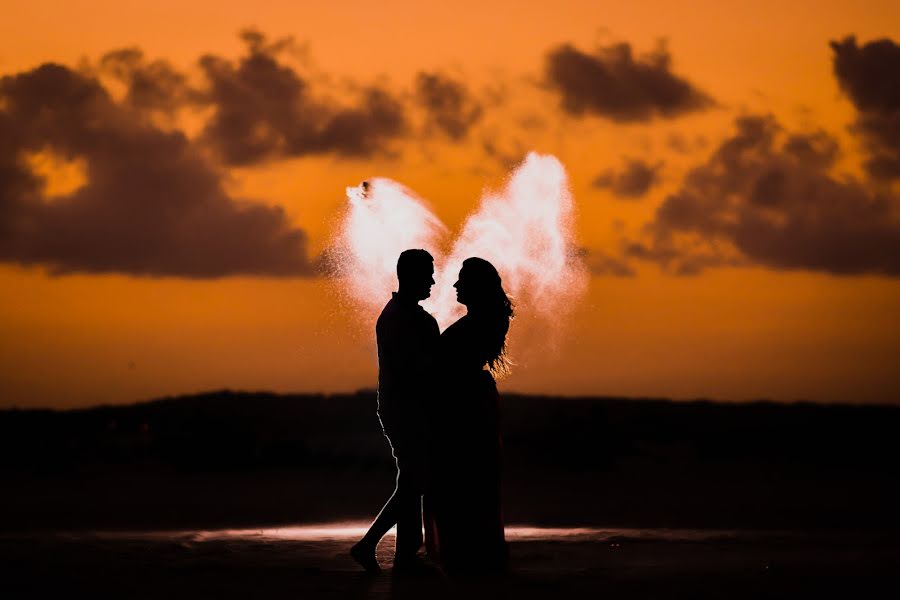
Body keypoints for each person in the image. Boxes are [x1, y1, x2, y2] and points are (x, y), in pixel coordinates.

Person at [351, 249, 440, 573]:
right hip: (405, 409)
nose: (433, 280)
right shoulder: (400, 319)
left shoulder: (408, 316)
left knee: (412, 479)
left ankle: (404, 554)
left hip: (404, 407)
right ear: (410, 276)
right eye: (427, 274)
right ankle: (371, 545)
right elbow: (415, 370)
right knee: (415, 481)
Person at [430, 257, 513, 576]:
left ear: (476, 286)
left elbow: (447, 365)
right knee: (472, 477)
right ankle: (473, 551)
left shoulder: (479, 323)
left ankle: (467, 554)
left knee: (463, 477)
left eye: (462, 280)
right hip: (469, 400)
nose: (455, 286)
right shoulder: (487, 319)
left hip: (464, 405)